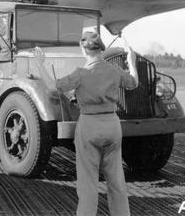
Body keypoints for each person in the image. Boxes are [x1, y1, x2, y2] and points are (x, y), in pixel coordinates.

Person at [34, 31, 139, 216]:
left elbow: (52, 87)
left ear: (84, 49)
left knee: (88, 182)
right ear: (101, 49)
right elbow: (134, 83)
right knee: (116, 180)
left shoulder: (80, 73)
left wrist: (40, 64)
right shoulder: (114, 70)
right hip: (112, 125)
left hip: (89, 126)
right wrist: (131, 61)